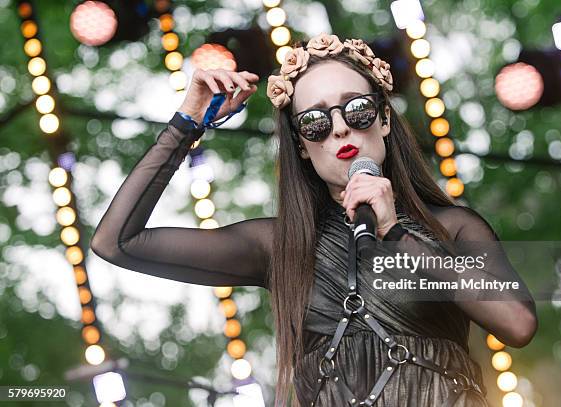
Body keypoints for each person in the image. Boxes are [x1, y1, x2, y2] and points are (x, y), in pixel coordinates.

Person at [91, 33, 538, 406]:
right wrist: (188, 122)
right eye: (315, 121)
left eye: (356, 108)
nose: (340, 127)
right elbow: (116, 242)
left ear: (383, 119)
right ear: (303, 146)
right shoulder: (281, 246)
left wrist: (397, 233)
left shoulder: (453, 228)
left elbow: (517, 324)